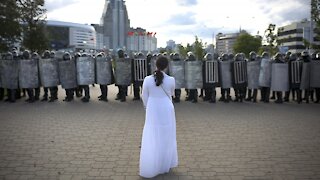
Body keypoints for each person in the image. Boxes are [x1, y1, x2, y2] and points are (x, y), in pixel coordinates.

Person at [140, 56, 178, 178]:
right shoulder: (171, 79)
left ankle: (153, 163)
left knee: (152, 134)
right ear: (167, 66)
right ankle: (164, 164)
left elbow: (144, 96)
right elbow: (172, 94)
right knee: (166, 135)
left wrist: (148, 107)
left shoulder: (147, 79)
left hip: (152, 108)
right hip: (167, 109)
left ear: (155, 65)